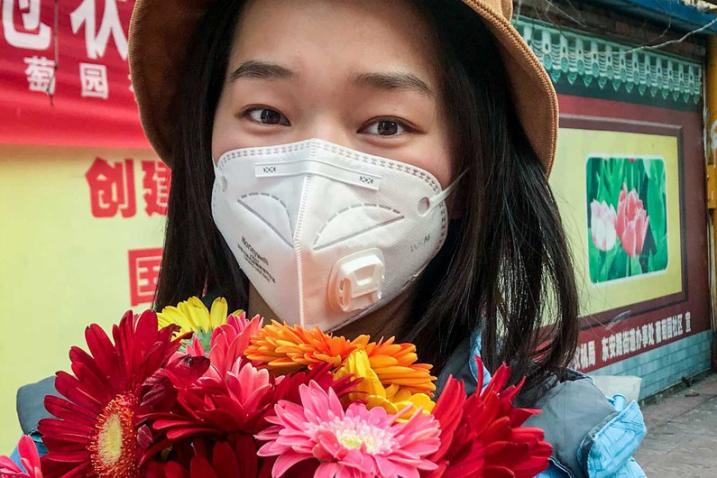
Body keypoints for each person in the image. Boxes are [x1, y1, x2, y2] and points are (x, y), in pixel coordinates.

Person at [14, 1, 646, 476]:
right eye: (266, 113)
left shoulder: (560, 451)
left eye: (386, 123)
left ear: (472, 178)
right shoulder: (87, 434)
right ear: (204, 145)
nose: (312, 170)